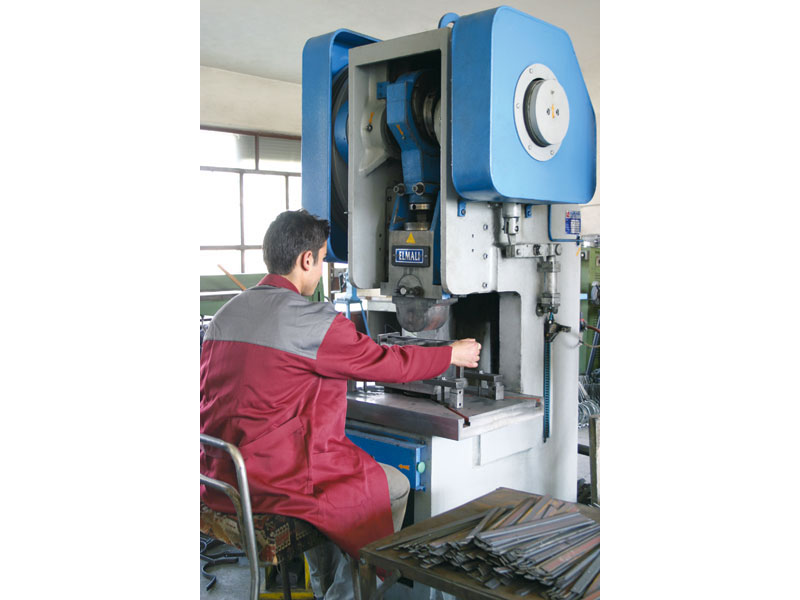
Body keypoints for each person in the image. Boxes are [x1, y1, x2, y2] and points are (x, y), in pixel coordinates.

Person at [200, 209, 481, 599]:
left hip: (220, 479)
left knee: (338, 500)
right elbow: (387, 363)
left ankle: (325, 590)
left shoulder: (224, 315)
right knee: (392, 485)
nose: (321, 271)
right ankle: (349, 593)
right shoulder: (312, 322)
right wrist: (450, 353)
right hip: (273, 485)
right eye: (322, 260)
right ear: (306, 260)